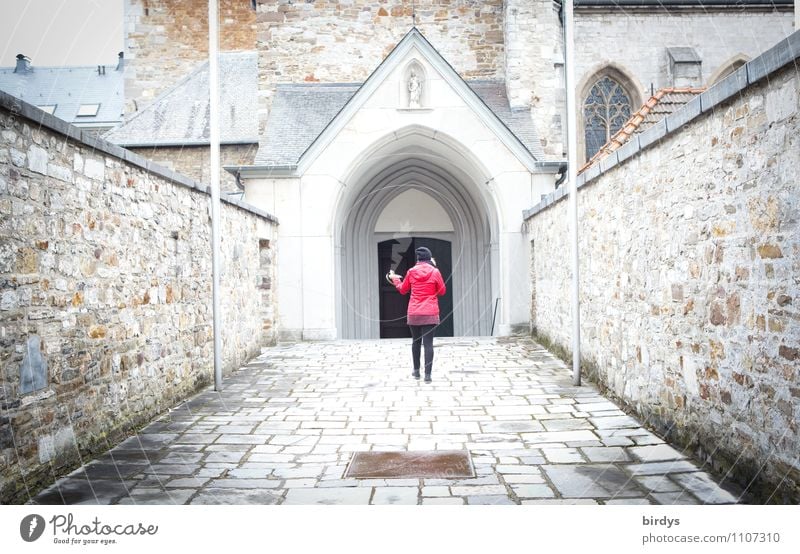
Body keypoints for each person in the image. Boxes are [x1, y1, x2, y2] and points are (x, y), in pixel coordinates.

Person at [387, 247, 446, 382]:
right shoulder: (435, 272)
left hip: (414, 312)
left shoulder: (411, 271)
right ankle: (428, 375)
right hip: (430, 312)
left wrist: (395, 279)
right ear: (429, 258)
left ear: (418, 259)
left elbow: (403, 290)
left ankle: (416, 371)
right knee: (428, 344)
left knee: (416, 342)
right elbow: (442, 291)